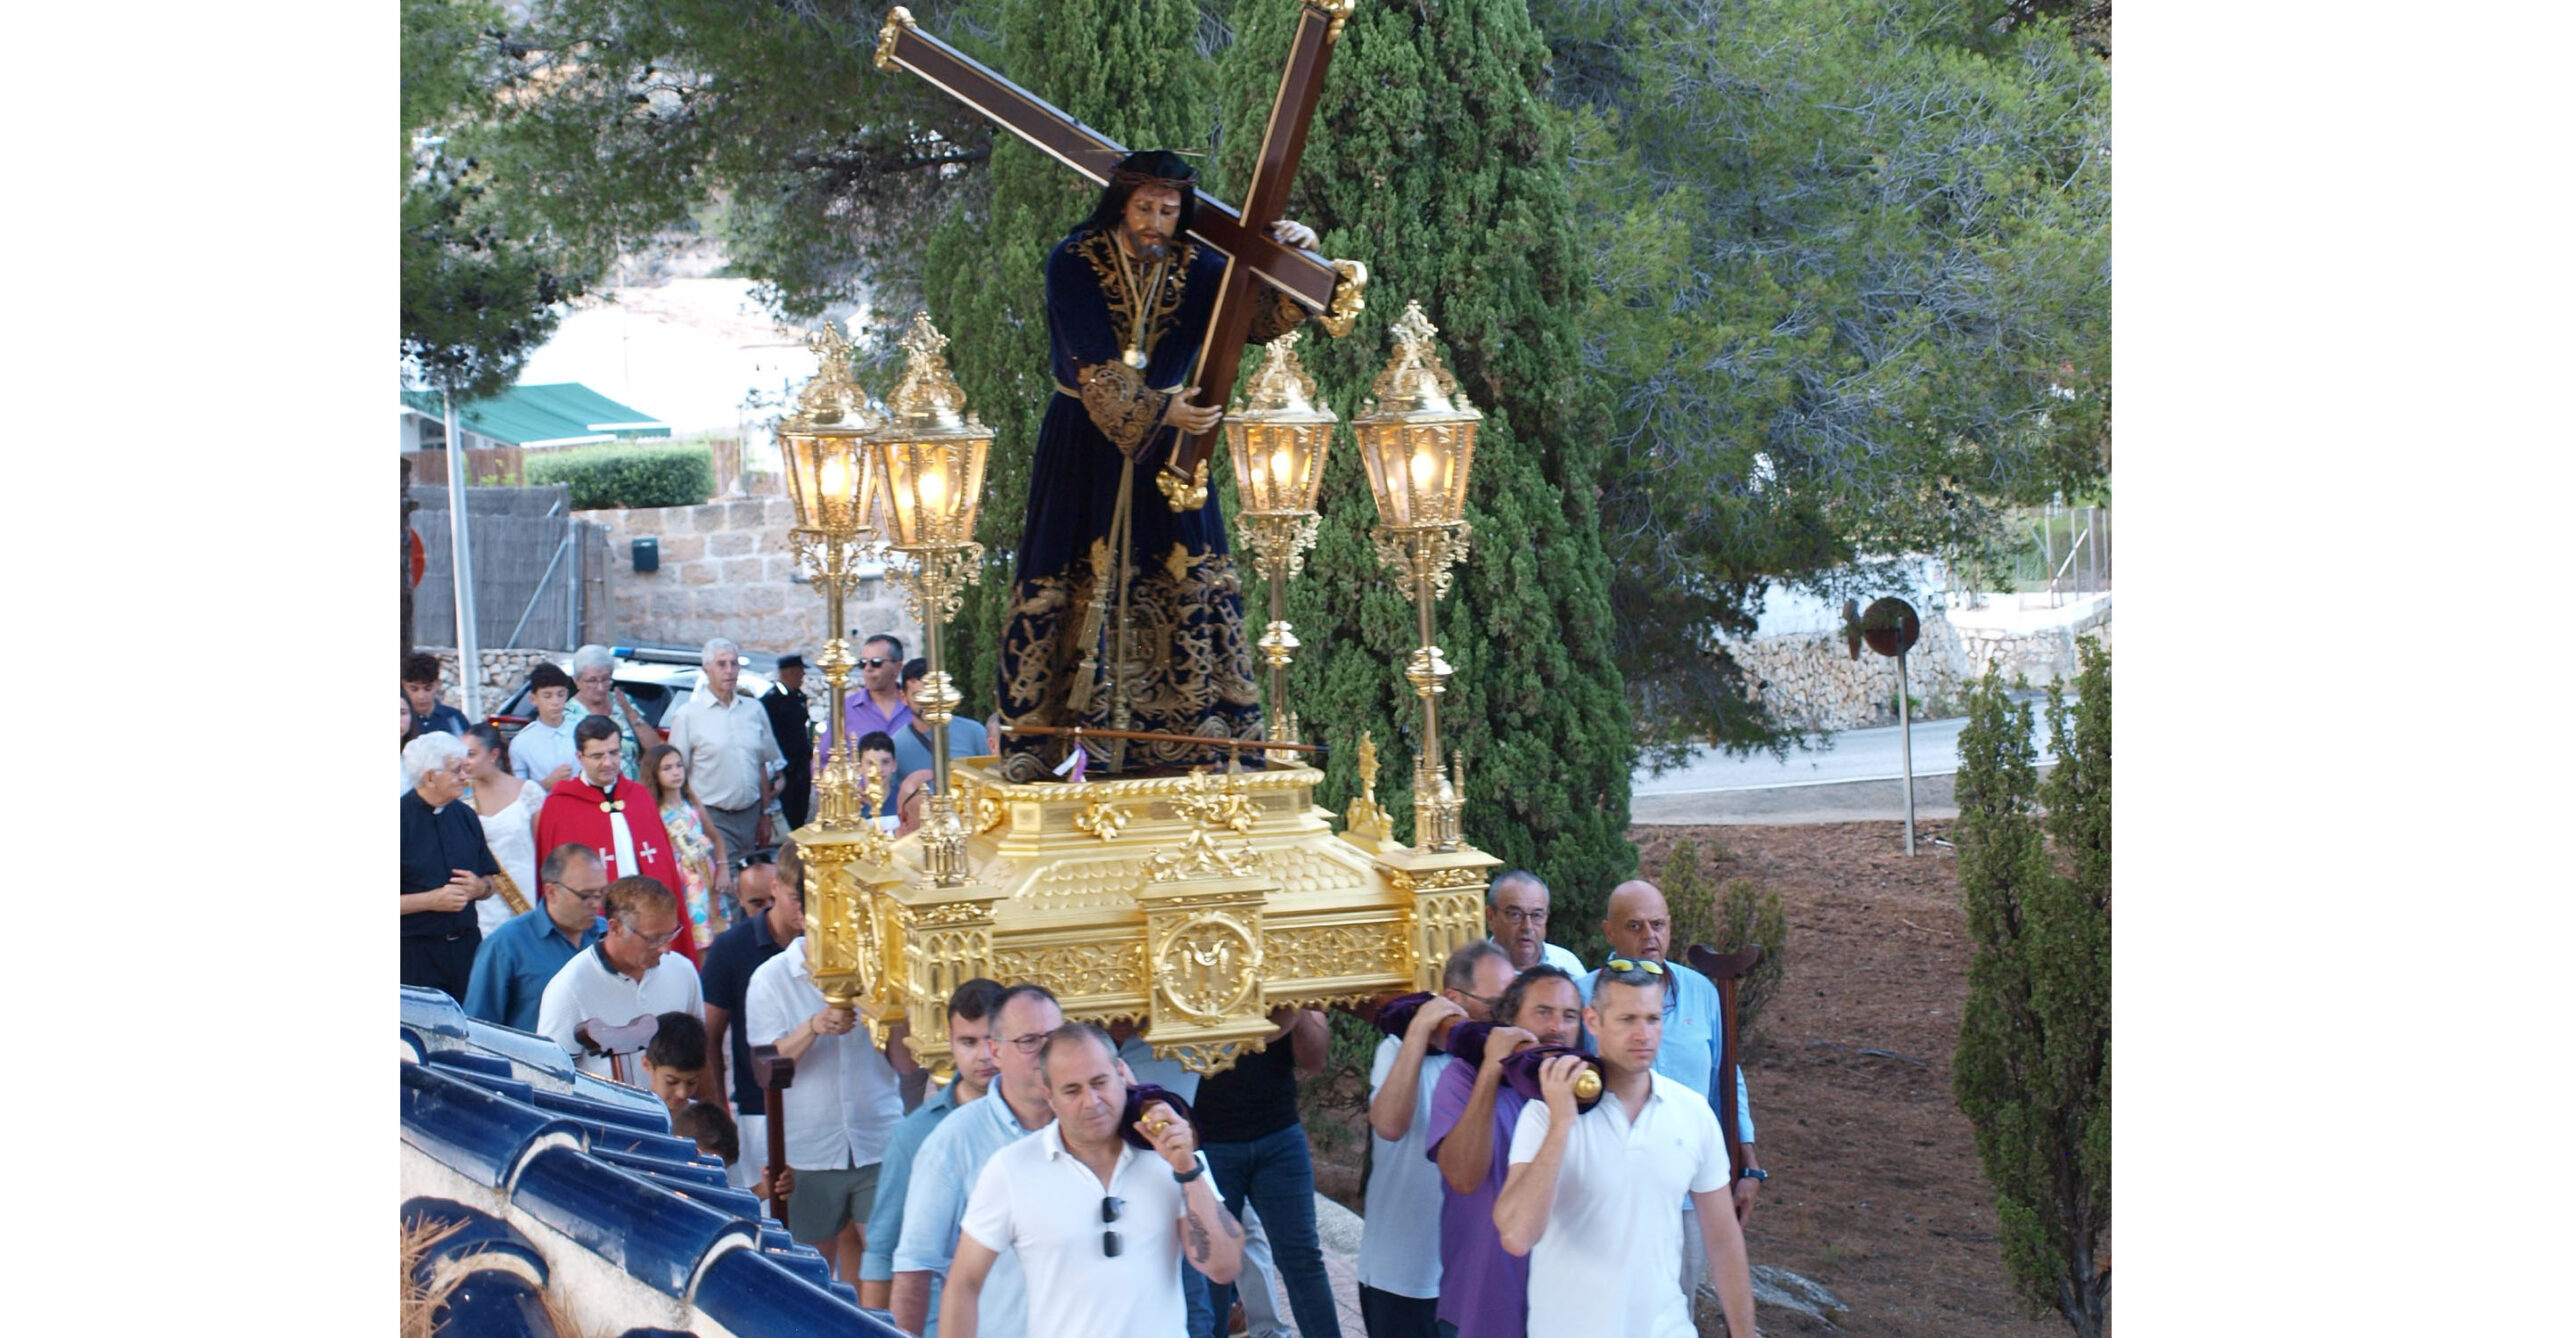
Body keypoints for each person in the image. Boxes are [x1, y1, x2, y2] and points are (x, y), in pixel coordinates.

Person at [994, 150, 1320, 778]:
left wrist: (1297, 256)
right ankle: (1057, 740)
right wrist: (1157, 409)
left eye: (1168, 211)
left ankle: (1192, 736)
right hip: (1084, 440)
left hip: (1177, 448)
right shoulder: (1074, 259)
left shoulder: (1202, 265)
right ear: (1121, 203)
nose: (1155, 222)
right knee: (1072, 573)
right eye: (1144, 208)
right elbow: (1089, 360)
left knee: (1181, 573)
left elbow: (1254, 320)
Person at [1495, 962, 1757, 1338]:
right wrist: (1562, 1124)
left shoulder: (1692, 1112)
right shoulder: (1544, 1114)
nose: (1643, 1034)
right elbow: (1517, 1235)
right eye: (1627, 1019)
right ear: (1593, 1020)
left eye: (1653, 1018)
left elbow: (1723, 1239)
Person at [941, 1023, 1244, 1338]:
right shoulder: (1010, 1168)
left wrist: (1187, 1168)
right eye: (1072, 1090)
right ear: (1049, 1095)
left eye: (1100, 1082)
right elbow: (964, 1283)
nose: (1092, 1101)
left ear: (1121, 1072)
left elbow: (1224, 1266)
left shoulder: (1168, 1153)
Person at [745, 891, 912, 1278]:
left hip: (877, 1141)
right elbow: (765, 1068)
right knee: (812, 1274)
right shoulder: (771, 979)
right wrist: (814, 1027)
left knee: (888, 1263)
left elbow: (905, 1065)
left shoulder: (881, 971)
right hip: (808, 1151)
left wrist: (889, 1005)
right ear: (803, 918)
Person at [1359, 939, 1516, 1337]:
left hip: (1471, 1277)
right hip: (1404, 1273)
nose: (1506, 1017)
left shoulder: (1506, 1066)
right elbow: (1390, 1124)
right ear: (1453, 999)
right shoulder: (1397, 1050)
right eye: (1497, 1005)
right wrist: (1419, 1031)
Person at [893, 983, 1066, 1338]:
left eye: (1055, 1038)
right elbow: (914, 1268)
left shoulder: (1095, 1124)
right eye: (1030, 1041)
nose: (1046, 1054)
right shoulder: (952, 1143)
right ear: (996, 1051)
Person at [1424, 965, 1582, 1338]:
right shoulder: (1462, 1078)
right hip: (1480, 1307)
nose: (1557, 1027)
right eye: (1543, 1012)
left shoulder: (1588, 1093)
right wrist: (1492, 1070)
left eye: (1569, 1016)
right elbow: (1462, 1176)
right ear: (1511, 1019)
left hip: (1566, 1312)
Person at [1187, 1005, 1340, 1338]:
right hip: (1210, 1140)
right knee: (1211, 1267)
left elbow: (1315, 1061)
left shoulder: (1278, 963)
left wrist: (1295, 1005)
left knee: (1303, 1260)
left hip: (1279, 1135)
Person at [860, 977, 1006, 1308]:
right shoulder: (915, 1134)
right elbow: (883, 1250)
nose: (984, 1056)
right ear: (949, 1042)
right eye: (969, 1042)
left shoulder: (1045, 1118)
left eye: (992, 1040)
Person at [534, 715, 696, 966]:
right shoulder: (560, 805)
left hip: (648, 922)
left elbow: (664, 866)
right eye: (597, 756)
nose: (608, 762)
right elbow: (552, 879)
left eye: (614, 753)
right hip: (595, 924)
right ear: (579, 757)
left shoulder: (639, 796)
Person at [534, 875, 704, 1080]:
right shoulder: (569, 988)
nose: (665, 948)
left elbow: (700, 1055)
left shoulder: (682, 970)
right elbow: (551, 1079)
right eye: (653, 939)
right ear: (615, 927)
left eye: (670, 935)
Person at [700, 850, 799, 1190]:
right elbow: (710, 1037)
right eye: (757, 901)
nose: (768, 907)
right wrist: (720, 1109)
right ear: (739, 900)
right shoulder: (729, 948)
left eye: (773, 899)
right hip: (760, 1107)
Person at [463, 843, 608, 1033]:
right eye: (586, 895)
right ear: (552, 892)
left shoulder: (609, 934)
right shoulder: (505, 945)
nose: (596, 904)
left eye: (602, 894)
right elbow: (478, 1027)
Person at [665, 637, 783, 871]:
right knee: (724, 882)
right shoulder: (688, 716)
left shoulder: (754, 710)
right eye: (721, 664)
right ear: (706, 669)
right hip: (712, 816)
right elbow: (677, 775)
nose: (729, 671)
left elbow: (761, 764)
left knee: (752, 881)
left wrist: (765, 814)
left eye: (734, 664)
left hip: (751, 814)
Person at [400, 732, 500, 1000]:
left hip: (467, 948)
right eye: (456, 771)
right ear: (430, 777)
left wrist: (479, 887)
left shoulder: (466, 816)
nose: (465, 778)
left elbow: (492, 882)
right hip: (414, 955)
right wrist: (431, 900)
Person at [641, 741, 731, 953]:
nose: (675, 772)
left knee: (717, 937)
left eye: (679, 766)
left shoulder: (692, 802)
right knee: (696, 938)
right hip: (682, 883)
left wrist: (723, 869)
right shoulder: (654, 810)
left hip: (706, 876)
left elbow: (716, 838)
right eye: (667, 768)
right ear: (654, 773)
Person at [462, 723, 546, 938]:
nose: (465, 762)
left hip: (527, 892)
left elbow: (545, 849)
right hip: (485, 902)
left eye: (471, 754)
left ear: (493, 754)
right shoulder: (462, 798)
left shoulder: (528, 791)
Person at [892, 657, 993, 798]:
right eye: (919, 696)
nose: (929, 703)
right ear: (903, 697)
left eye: (933, 694)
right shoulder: (897, 745)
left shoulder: (974, 733)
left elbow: (994, 779)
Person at [564, 643, 661, 782]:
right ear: (577, 681)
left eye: (605, 679)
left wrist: (629, 712)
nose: (600, 687)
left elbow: (654, 747)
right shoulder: (568, 714)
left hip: (631, 791)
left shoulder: (622, 702)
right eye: (592, 681)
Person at [1487, 871, 1586, 976]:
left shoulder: (1566, 964)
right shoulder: (1474, 971)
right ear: (1491, 917)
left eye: (1536, 915)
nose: (1527, 927)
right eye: (1515, 915)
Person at [761, 651, 816, 829]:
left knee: (800, 811)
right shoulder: (771, 701)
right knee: (787, 815)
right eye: (800, 671)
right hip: (786, 767)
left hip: (801, 765)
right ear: (790, 673)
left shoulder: (798, 697)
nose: (803, 676)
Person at [509, 661, 580, 789]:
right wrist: (546, 784)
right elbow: (519, 792)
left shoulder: (581, 730)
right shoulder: (521, 743)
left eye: (561, 694)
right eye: (547, 696)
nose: (556, 702)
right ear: (533, 699)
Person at [842, 634, 912, 747]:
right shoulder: (845, 709)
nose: (868, 669)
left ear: (897, 667)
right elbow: (824, 759)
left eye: (876, 662)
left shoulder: (915, 707)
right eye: (863, 663)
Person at [640, 1009, 710, 1118]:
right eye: (671, 1082)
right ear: (647, 1065)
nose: (682, 1093)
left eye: (691, 1082)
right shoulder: (634, 1116)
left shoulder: (704, 1120)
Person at [403, 651, 470, 736]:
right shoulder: (401, 721)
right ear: (403, 686)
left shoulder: (453, 718)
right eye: (414, 689)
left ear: (438, 684)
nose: (421, 696)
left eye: (428, 689)